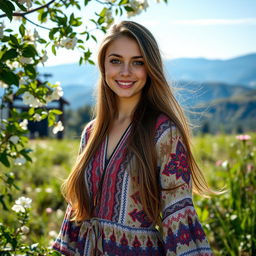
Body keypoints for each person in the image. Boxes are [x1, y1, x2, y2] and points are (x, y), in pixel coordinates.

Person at [52, 21, 214, 256]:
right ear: (103, 66)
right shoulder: (91, 132)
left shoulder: (163, 133)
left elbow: (178, 213)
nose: (125, 72)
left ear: (150, 68)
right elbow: (77, 212)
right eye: (116, 61)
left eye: (137, 62)